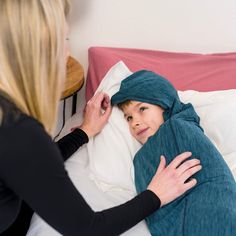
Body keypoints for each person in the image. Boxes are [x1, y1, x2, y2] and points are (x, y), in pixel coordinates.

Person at [0, 1, 202, 235]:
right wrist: (155, 195)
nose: (67, 54)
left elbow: (32, 165)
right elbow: (86, 228)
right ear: (34, 53)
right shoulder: (19, 132)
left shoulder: (14, 129)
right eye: (62, 42)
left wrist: (84, 132)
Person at [111, 70, 236, 236]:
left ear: (165, 104)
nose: (135, 122)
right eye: (129, 118)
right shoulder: (142, 156)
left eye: (142, 109)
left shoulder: (178, 127)